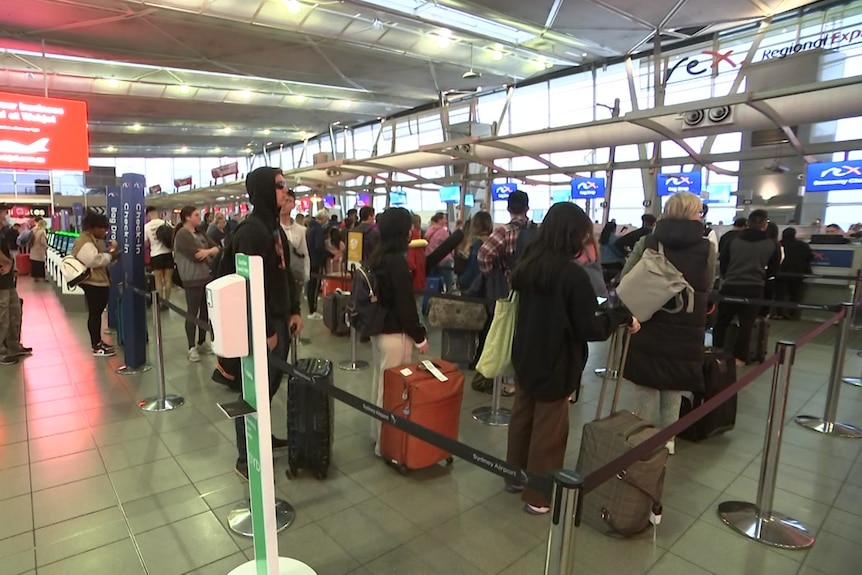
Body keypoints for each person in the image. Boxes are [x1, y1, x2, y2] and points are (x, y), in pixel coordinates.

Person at [507, 202, 636, 514]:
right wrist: (619, 317)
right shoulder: (571, 275)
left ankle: (513, 477)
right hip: (557, 359)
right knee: (549, 430)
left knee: (523, 416)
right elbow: (589, 327)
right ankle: (538, 497)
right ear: (573, 234)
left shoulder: (528, 265)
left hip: (525, 352)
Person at [621, 192, 716, 455]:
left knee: (647, 381)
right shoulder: (707, 245)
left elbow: (627, 276)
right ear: (692, 213)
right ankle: (668, 439)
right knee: (674, 382)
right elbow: (707, 282)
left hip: (649, 315)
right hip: (686, 321)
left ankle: (640, 437)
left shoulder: (650, 240)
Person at [231, 166, 303, 480]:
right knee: (252, 390)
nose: (285, 191)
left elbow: (283, 273)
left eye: (285, 185)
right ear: (262, 189)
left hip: (278, 318)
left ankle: (263, 435)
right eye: (279, 186)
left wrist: (295, 309)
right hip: (263, 324)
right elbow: (247, 286)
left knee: (269, 387)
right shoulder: (250, 231)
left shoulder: (274, 228)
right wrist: (266, 329)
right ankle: (246, 456)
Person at [365, 207, 429, 456]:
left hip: (379, 331)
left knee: (380, 384)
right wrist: (419, 336)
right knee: (393, 391)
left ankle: (377, 434)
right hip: (396, 335)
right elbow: (406, 305)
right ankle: (387, 445)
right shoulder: (397, 262)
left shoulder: (379, 257)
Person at [713, 209, 780, 367]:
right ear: (764, 224)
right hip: (754, 288)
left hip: (730, 286)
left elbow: (723, 262)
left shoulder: (733, 240)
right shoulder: (772, 244)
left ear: (748, 223)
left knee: (721, 321)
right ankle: (740, 357)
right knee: (746, 324)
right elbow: (773, 270)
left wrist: (729, 275)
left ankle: (716, 353)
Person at [173, 206, 221, 362]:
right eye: (195, 214)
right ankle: (191, 346)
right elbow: (195, 255)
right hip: (191, 279)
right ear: (187, 217)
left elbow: (217, 248)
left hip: (206, 277)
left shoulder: (200, 233)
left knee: (205, 312)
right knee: (192, 312)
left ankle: (201, 341)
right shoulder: (182, 235)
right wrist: (209, 252)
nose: (198, 216)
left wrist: (207, 252)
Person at [71, 211, 121, 358]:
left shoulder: (93, 239)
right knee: (95, 314)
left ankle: (98, 342)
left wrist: (111, 255)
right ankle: (96, 346)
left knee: (97, 314)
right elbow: (93, 260)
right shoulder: (85, 241)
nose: (105, 232)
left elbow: (102, 258)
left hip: (98, 281)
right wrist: (109, 256)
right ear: (93, 227)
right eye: (103, 228)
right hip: (93, 283)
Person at [776, 227, 813, 320]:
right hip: (798, 273)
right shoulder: (803, 245)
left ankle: (780, 313)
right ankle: (793, 314)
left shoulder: (779, 244)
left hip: (782, 273)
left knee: (780, 294)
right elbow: (810, 257)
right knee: (795, 295)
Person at [280, 192, 310, 299]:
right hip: (278, 278)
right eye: (283, 200)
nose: (284, 204)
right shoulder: (273, 228)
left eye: (289, 201)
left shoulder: (301, 230)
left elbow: (304, 253)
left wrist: (306, 275)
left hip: (295, 276)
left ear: (293, 204)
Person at [144, 207, 174, 309]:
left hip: (156, 255)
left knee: (158, 280)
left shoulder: (147, 226)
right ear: (157, 213)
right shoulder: (166, 223)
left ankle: (160, 302)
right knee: (168, 280)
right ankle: (167, 302)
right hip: (168, 254)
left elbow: (145, 242)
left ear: (148, 215)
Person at [457, 211, 493, 291]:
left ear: (474, 225)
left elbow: (473, 273)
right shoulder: (493, 242)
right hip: (492, 289)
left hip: (477, 290)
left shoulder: (477, 246)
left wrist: (459, 282)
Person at [305, 209, 328, 320]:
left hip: (309, 259)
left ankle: (311, 308)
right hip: (317, 260)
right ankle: (312, 310)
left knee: (311, 285)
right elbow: (319, 246)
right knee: (314, 287)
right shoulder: (318, 229)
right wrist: (330, 255)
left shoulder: (310, 227)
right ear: (323, 219)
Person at [425, 212, 454, 292]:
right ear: (439, 220)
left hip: (431, 259)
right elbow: (450, 245)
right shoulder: (443, 231)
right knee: (449, 284)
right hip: (443, 259)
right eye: (444, 219)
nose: (446, 221)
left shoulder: (429, 230)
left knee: (432, 283)